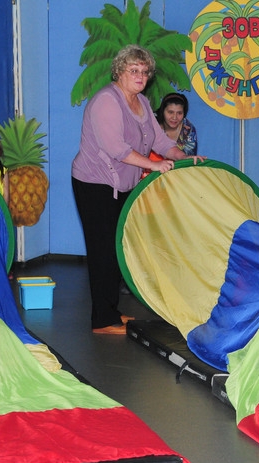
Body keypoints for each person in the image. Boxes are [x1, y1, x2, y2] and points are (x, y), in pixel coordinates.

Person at [72, 44, 203, 335]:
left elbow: (159, 140)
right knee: (103, 250)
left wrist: (181, 157)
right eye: (134, 70)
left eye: (144, 71)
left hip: (123, 185)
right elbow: (116, 148)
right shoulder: (107, 100)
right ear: (119, 71)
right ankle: (101, 320)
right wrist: (154, 165)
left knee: (117, 248)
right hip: (95, 184)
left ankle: (111, 311)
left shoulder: (141, 102)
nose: (140, 76)